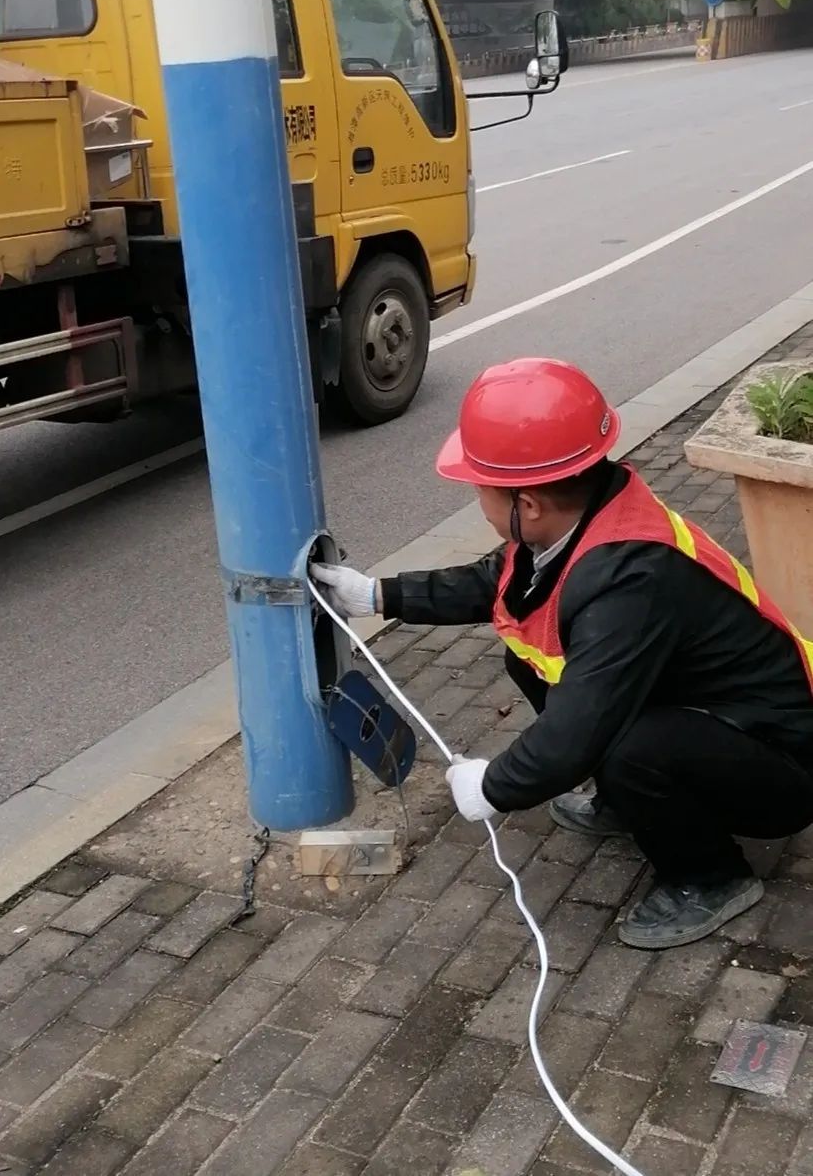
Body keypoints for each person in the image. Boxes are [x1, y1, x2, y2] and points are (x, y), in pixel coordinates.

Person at [312, 358, 813, 950]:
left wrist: (495, 785)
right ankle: (633, 805)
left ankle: (709, 877)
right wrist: (377, 595)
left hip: (783, 763)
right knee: (527, 657)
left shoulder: (629, 581)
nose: (477, 497)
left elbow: (580, 728)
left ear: (527, 504)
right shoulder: (584, 515)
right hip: (719, 721)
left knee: (630, 747)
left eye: (480, 487)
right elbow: (499, 584)